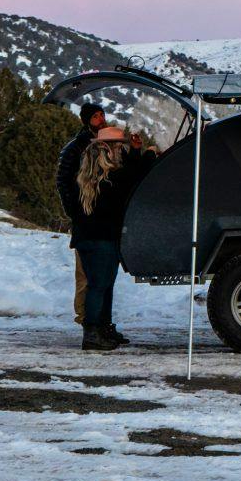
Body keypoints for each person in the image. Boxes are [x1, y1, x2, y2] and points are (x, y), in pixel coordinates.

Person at [71, 126, 157, 350]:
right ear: (107, 151)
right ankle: (92, 333)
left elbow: (129, 172)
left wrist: (136, 152)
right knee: (100, 285)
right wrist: (147, 153)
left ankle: (100, 329)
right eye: (119, 146)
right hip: (103, 239)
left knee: (101, 284)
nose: (121, 150)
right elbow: (136, 174)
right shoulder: (113, 179)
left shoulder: (88, 178)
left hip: (86, 238)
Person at [57, 103, 105, 326]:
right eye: (96, 116)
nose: (101, 119)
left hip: (101, 219)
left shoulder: (107, 144)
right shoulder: (75, 148)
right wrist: (74, 211)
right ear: (87, 120)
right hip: (84, 218)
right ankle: (85, 317)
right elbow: (63, 181)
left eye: (102, 114)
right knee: (85, 274)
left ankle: (100, 320)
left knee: (101, 275)